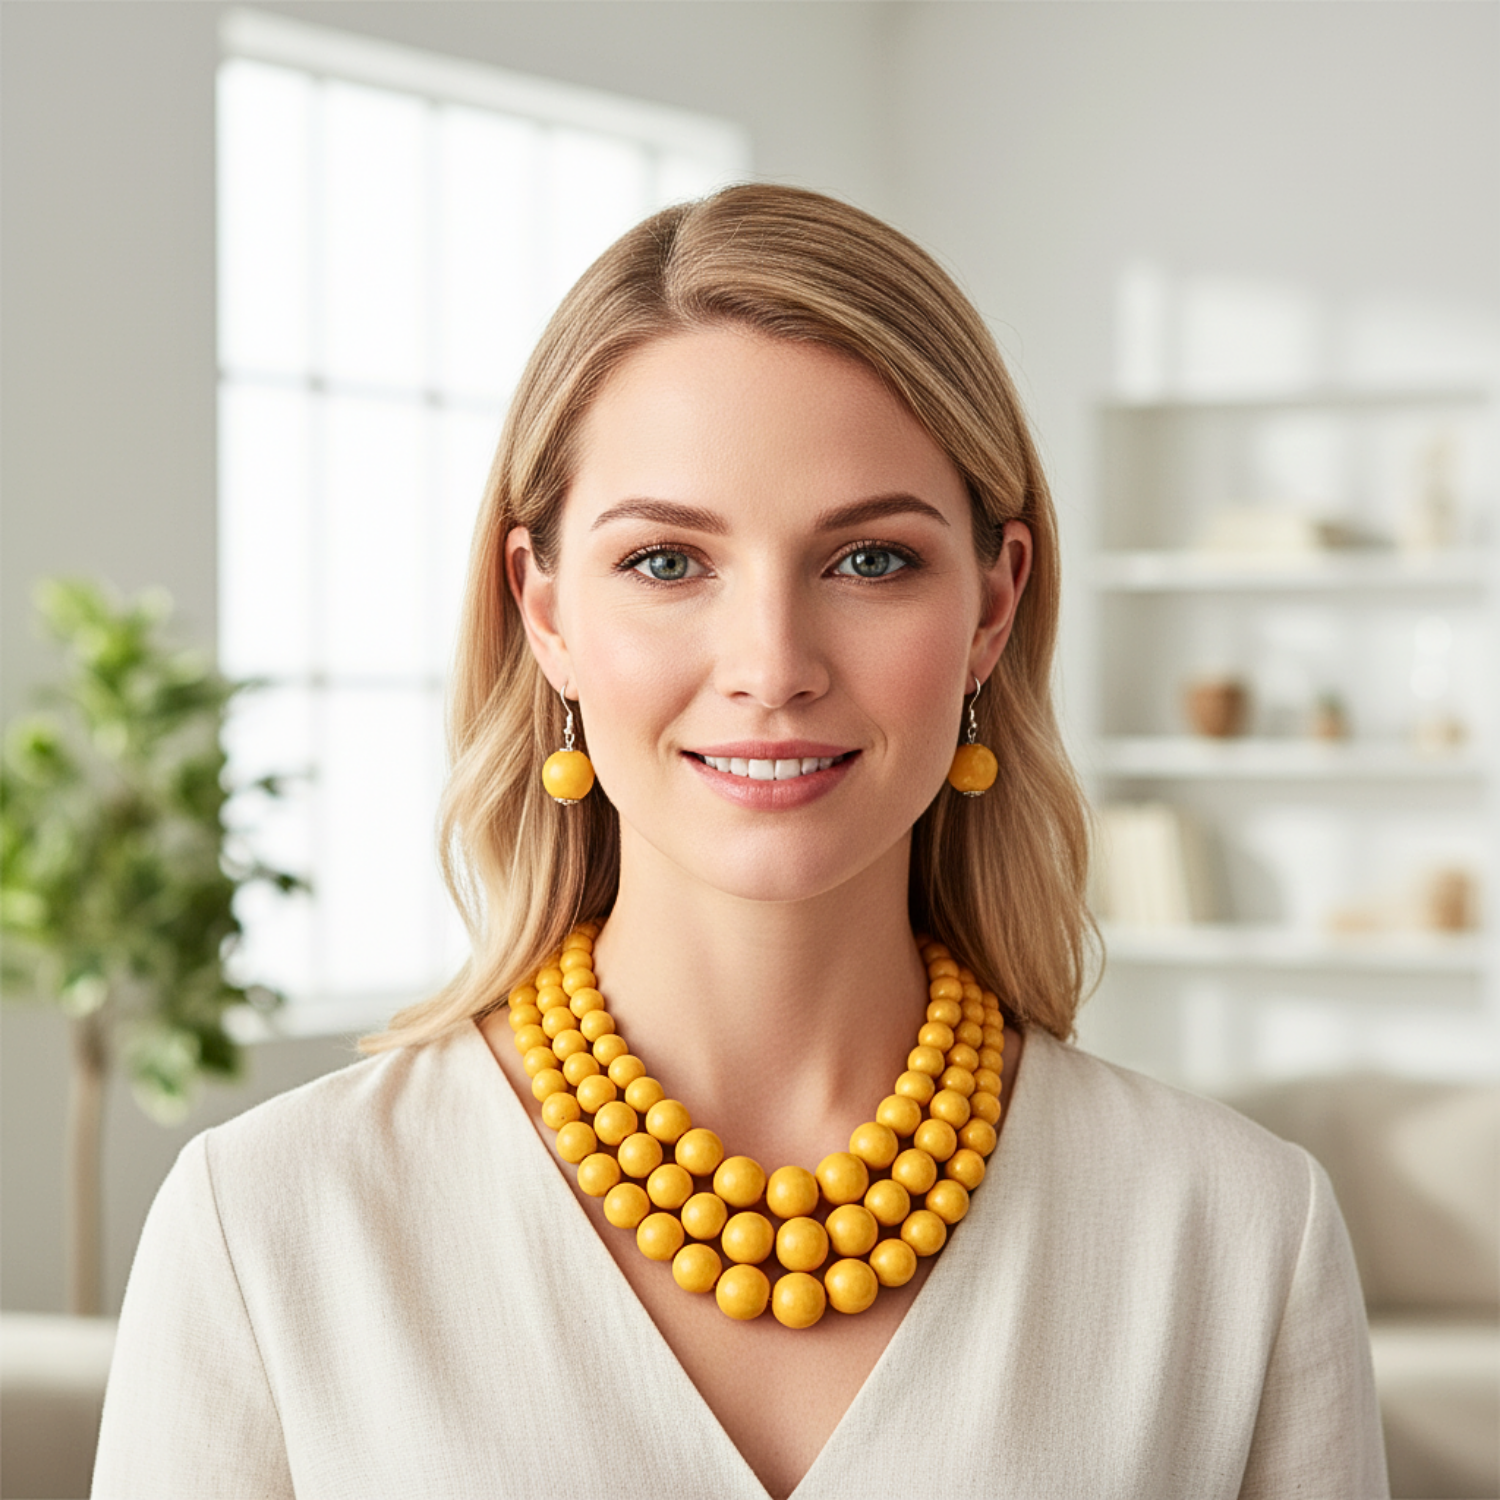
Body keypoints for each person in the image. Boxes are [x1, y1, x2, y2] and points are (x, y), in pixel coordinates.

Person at [92, 184, 1387, 1500]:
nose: (772, 667)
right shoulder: (267, 1227)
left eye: (872, 561)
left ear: (994, 606)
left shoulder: (1239, 1238)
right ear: (543, 610)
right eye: (666, 562)